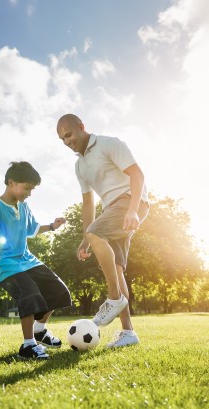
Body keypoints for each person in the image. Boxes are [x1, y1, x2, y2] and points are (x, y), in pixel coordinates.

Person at [56, 114, 149, 348]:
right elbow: (88, 203)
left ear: (81, 127)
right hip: (111, 209)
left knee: (96, 234)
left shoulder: (109, 144)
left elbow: (137, 175)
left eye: (68, 135)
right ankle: (128, 333)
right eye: (62, 139)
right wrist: (85, 239)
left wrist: (133, 210)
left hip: (129, 201)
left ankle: (114, 299)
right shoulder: (79, 166)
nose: (67, 141)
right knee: (116, 268)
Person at [0, 161, 72, 360]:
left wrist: (52, 226)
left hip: (28, 260)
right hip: (7, 264)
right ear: (11, 182)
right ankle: (28, 345)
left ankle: (39, 330)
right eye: (27, 188)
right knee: (30, 294)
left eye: (32, 189)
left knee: (58, 290)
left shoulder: (23, 206)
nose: (29, 193)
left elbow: (32, 229)